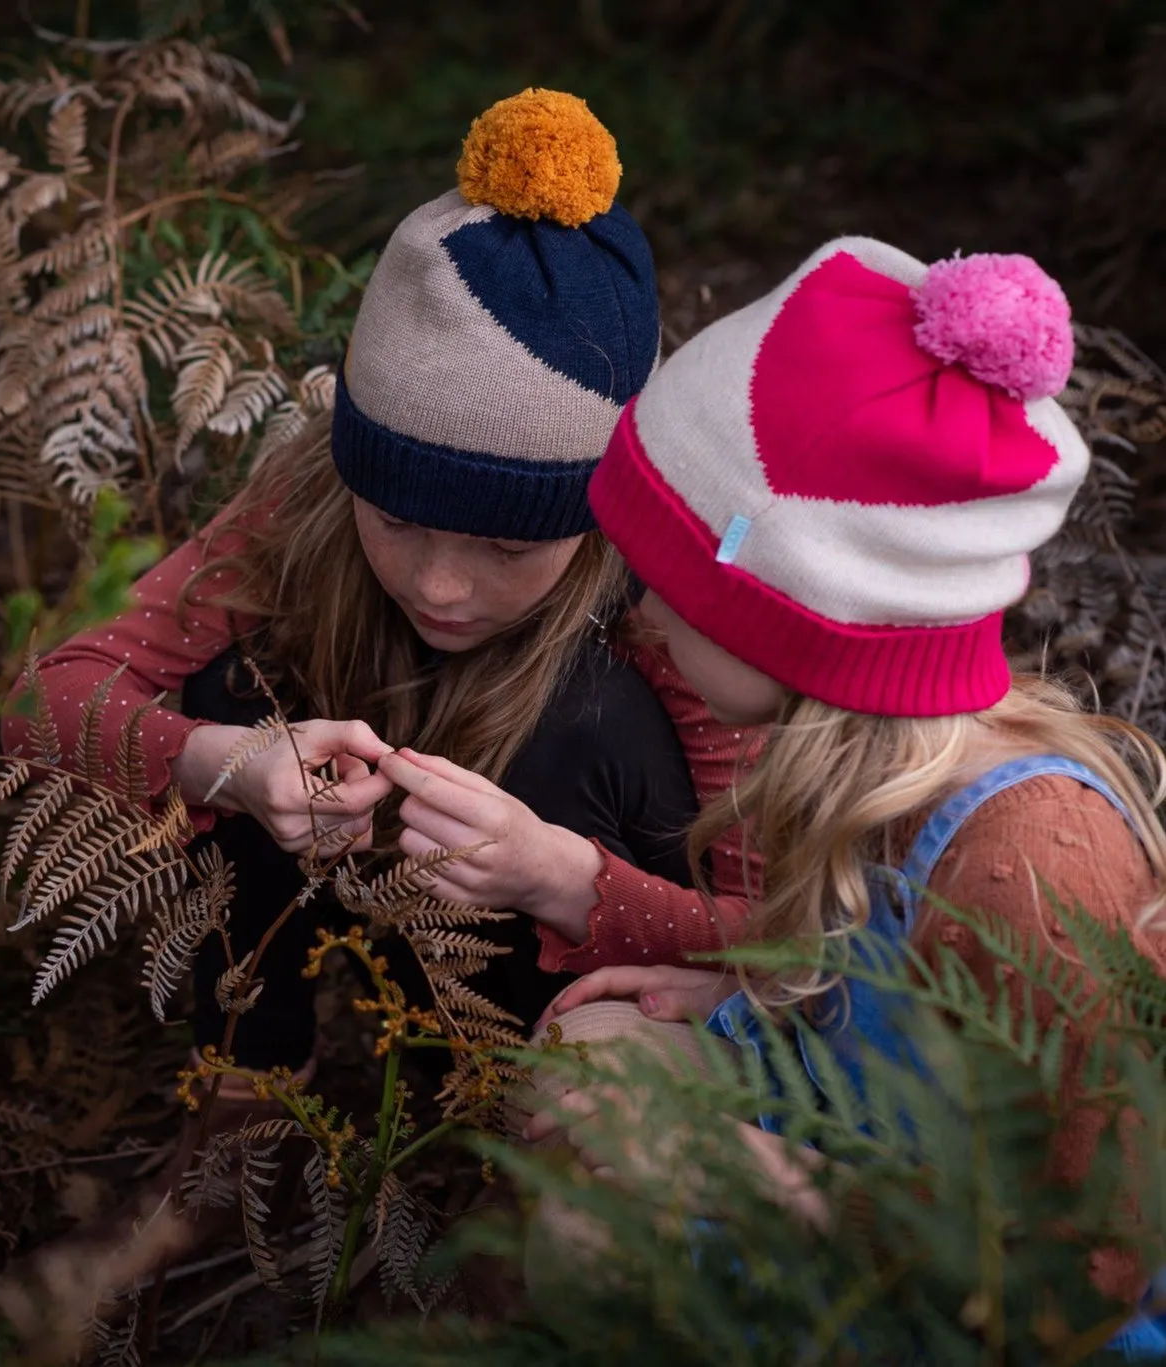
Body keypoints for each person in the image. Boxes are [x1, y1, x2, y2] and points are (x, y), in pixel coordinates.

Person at [0, 88, 704, 1296]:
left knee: (590, 725)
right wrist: (227, 761)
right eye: (400, 520)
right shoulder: (303, 511)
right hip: (328, 873)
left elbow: (792, 927)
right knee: (230, 690)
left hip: (568, 957)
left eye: (505, 549)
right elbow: (47, 700)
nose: (440, 583)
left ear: (595, 524)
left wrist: (561, 877)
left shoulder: (671, 595)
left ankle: (508, 1144)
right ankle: (244, 1113)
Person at [397, 236, 1166, 1331]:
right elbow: (885, 1002)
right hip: (858, 1146)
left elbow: (1082, 1252)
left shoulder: (1030, 865)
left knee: (591, 1225)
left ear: (790, 617)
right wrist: (747, 995)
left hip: (946, 1286)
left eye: (669, 585)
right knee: (587, 1062)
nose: (644, 615)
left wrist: (784, 1190)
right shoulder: (873, 786)